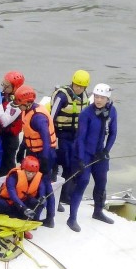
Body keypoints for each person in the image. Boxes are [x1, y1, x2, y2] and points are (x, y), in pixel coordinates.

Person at [67, 83, 118, 231]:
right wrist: (81, 159)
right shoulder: (86, 114)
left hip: (100, 154)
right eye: (96, 96)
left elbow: (113, 133)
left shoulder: (112, 111)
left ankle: (98, 212)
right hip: (85, 154)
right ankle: (72, 218)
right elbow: (80, 138)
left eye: (102, 97)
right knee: (82, 182)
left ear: (107, 98)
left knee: (101, 183)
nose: (98, 100)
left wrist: (106, 150)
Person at [14, 85, 57, 227]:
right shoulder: (26, 111)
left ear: (27, 102)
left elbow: (46, 141)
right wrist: (21, 149)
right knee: (35, 184)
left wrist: (44, 161)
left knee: (44, 185)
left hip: (45, 153)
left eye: (19, 104)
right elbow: (28, 134)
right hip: (33, 151)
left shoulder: (38, 117)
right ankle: (35, 213)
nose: (18, 107)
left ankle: (49, 217)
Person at [51, 70, 91, 208]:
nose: (78, 88)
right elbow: (51, 117)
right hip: (60, 135)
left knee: (71, 166)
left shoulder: (85, 97)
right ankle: (54, 197)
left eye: (81, 86)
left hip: (75, 137)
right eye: (76, 85)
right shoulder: (62, 96)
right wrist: (52, 137)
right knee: (55, 165)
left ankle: (65, 195)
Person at [0, 70, 26, 176]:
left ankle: (8, 189)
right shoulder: (4, 95)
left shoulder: (18, 102)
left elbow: (5, 121)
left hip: (10, 140)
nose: (3, 88)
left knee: (7, 168)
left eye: (7, 86)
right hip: (0, 136)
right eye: (3, 85)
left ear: (15, 87)